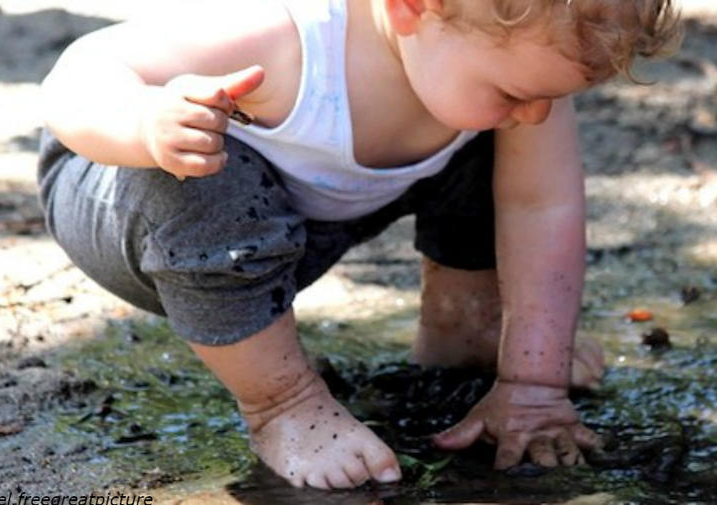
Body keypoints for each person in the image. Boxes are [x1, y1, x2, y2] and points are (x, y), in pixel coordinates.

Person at [37, 0, 680, 490]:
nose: (537, 113)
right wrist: (144, 124)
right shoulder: (283, 36)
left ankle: (466, 324)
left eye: (550, 95)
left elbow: (543, 206)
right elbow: (83, 71)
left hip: (308, 221)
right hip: (131, 206)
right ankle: (283, 403)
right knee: (202, 173)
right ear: (411, 7)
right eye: (518, 90)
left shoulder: (491, 67)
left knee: (495, 137)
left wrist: (535, 381)